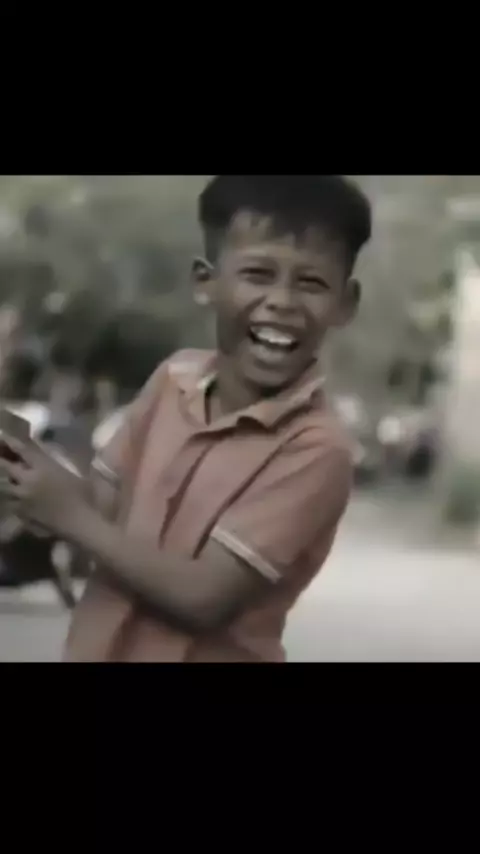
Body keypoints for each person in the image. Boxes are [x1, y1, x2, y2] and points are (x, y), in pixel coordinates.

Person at [0, 175, 372, 663]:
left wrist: (67, 515)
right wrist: (24, 465)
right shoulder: (172, 380)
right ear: (205, 282)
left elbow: (202, 599)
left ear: (345, 303)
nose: (282, 301)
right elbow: (99, 511)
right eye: (258, 274)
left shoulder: (316, 448)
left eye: (311, 283)